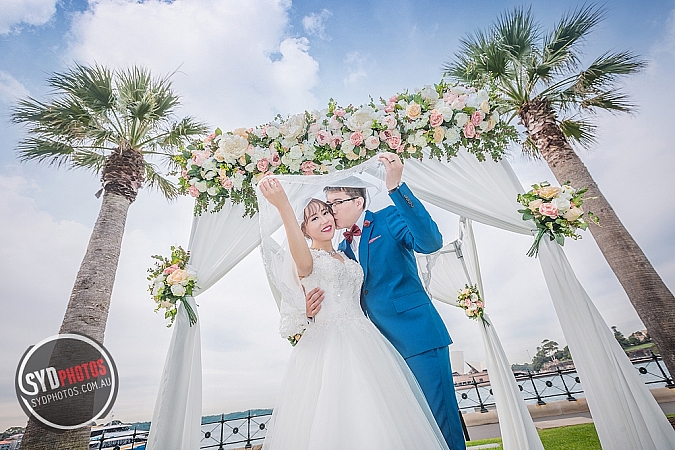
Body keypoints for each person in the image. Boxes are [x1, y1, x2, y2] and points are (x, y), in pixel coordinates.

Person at [258, 175, 449, 450]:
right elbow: (305, 270)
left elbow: (426, 244)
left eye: (328, 210)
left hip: (379, 339)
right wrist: (283, 206)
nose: (327, 218)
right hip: (335, 344)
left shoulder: (346, 252)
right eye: (314, 218)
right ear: (303, 230)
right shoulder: (308, 258)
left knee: (394, 417)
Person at [305, 152, 466, 450]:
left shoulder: (388, 218)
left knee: (441, 420)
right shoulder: (341, 250)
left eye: (335, 203)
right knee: (412, 427)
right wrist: (310, 309)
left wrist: (396, 188)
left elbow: (430, 242)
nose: (330, 211)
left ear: (358, 202)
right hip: (379, 351)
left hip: (417, 336)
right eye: (327, 205)